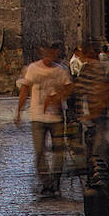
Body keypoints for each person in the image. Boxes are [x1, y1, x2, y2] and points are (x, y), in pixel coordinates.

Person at [15, 43, 72, 196]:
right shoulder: (33, 69)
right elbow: (25, 89)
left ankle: (55, 181)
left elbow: (69, 89)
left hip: (57, 117)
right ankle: (47, 183)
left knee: (58, 151)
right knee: (40, 151)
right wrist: (19, 111)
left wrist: (58, 97)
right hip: (38, 116)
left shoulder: (61, 71)